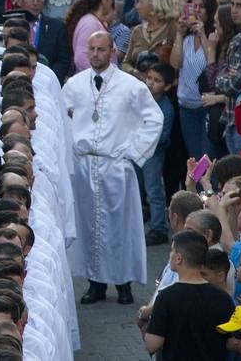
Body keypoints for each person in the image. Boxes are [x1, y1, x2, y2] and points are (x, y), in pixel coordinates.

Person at [64, 30, 164, 305]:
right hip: (84, 164)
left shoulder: (131, 86)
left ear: (113, 52)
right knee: (89, 227)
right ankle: (95, 283)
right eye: (91, 49)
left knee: (120, 228)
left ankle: (124, 283)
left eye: (101, 49)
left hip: (115, 165)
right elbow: (63, 120)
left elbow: (154, 118)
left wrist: (132, 152)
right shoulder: (74, 84)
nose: (95, 55)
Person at [143, 230, 235, 358]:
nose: (170, 255)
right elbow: (231, 341)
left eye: (172, 251)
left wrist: (143, 320)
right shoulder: (223, 298)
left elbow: (152, 344)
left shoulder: (166, 297)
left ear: (179, 258)